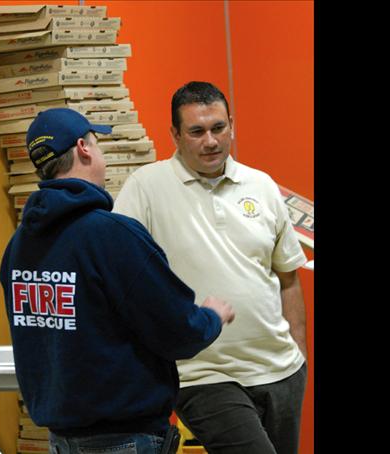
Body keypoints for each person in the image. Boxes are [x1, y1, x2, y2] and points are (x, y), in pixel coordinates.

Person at [0, 108, 235, 454]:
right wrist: (211, 316)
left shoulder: (19, 246)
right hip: (123, 438)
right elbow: (177, 332)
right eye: (97, 143)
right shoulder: (112, 236)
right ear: (83, 148)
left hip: (61, 439)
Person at [112, 81, 308, 454]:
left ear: (231, 125)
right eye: (197, 131)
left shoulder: (262, 186)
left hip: (280, 370)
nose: (211, 141)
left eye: (218, 128)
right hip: (201, 373)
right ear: (174, 134)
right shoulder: (145, 188)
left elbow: (288, 278)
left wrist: (299, 357)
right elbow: (120, 275)